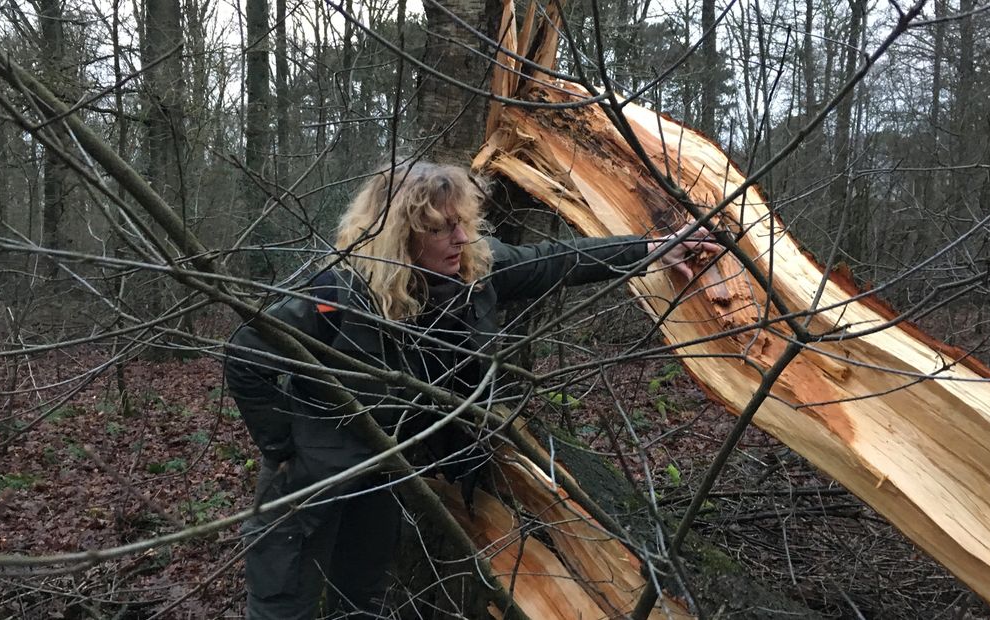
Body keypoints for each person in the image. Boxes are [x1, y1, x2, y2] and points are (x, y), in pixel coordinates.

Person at [224, 160, 722, 619]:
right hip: (310, 479)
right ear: (400, 235)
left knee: (361, 600)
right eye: (441, 228)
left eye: (462, 222)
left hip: (385, 475)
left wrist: (652, 248)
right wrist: (283, 444)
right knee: (283, 603)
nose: (461, 238)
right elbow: (247, 354)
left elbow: (556, 260)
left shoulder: (475, 272)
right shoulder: (339, 293)